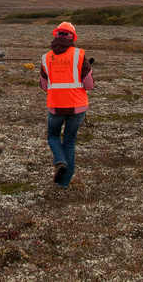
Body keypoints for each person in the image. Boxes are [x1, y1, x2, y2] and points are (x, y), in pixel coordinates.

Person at [40, 21, 94, 188]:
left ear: (56, 35)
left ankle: (60, 161)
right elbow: (89, 85)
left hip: (55, 106)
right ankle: (64, 183)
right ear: (72, 37)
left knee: (53, 136)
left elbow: (43, 85)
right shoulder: (79, 55)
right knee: (69, 142)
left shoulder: (46, 57)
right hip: (77, 106)